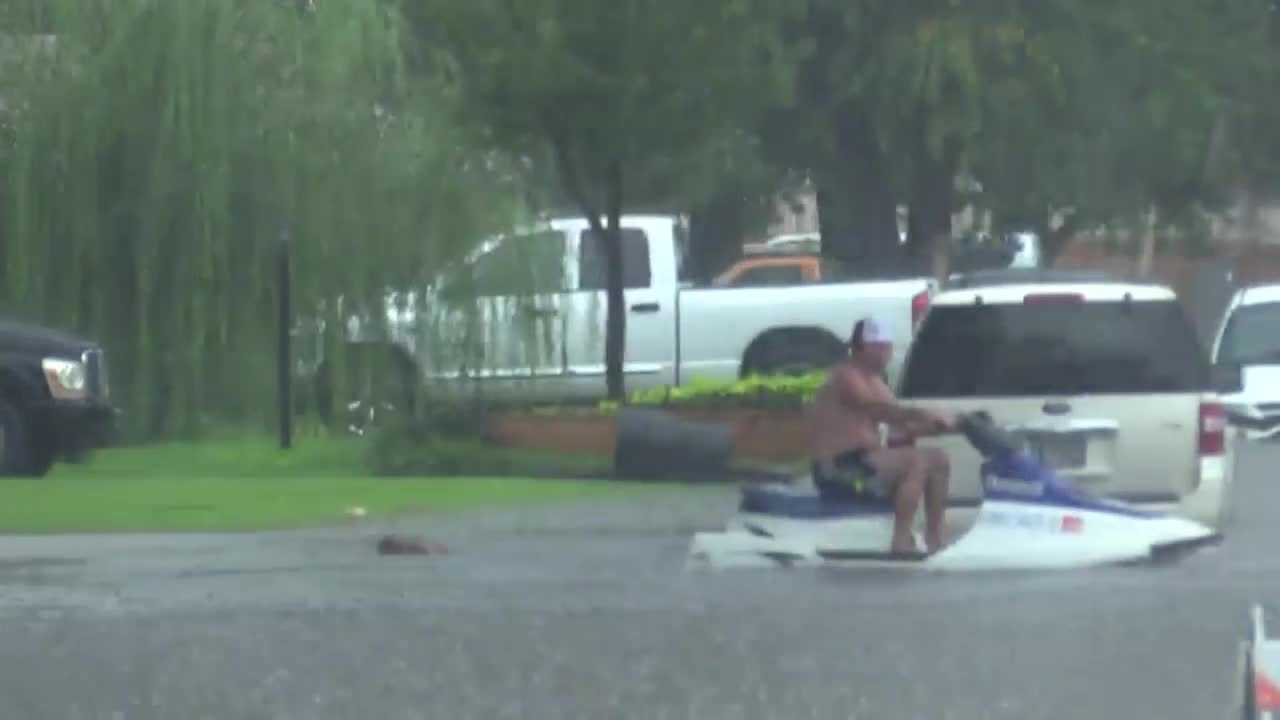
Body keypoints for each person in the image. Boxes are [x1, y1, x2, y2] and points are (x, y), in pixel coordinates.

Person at [810, 317, 955, 554]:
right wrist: (924, 413)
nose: (887, 353)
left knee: (938, 459)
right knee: (915, 461)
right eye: (881, 347)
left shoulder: (875, 380)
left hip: (866, 461)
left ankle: (934, 538)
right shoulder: (846, 376)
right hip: (838, 468)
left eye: (888, 347)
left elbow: (902, 424)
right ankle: (900, 540)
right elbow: (880, 410)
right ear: (863, 348)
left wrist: (947, 425)